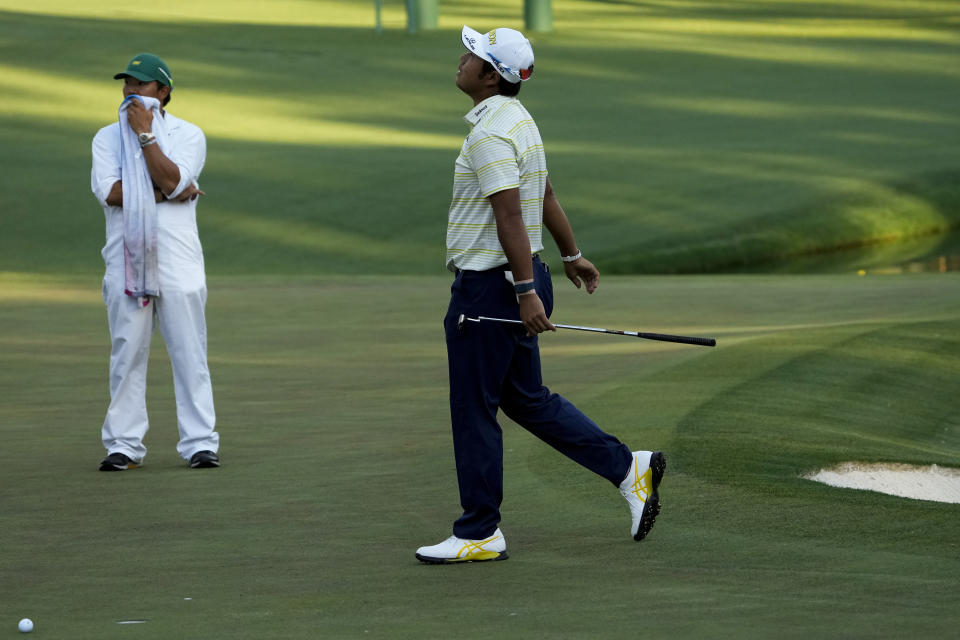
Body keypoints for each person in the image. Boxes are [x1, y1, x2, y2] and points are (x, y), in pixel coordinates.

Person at [415, 27, 666, 564]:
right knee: (526, 399)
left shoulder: (489, 133)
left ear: (490, 76)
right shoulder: (519, 121)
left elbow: (511, 213)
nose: (462, 60)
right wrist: (571, 255)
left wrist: (524, 290)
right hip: (520, 282)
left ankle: (479, 532)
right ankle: (628, 469)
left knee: (473, 408)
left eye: (474, 55)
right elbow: (544, 192)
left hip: (494, 288)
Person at [90, 53, 220, 471]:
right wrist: (171, 191)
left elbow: (169, 175)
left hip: (179, 261)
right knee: (127, 351)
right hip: (126, 259)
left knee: (189, 352)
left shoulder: (188, 134)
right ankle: (124, 445)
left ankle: (200, 443)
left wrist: (147, 138)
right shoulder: (105, 138)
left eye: (141, 85)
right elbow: (112, 193)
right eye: (126, 84)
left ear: (163, 93)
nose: (131, 92)